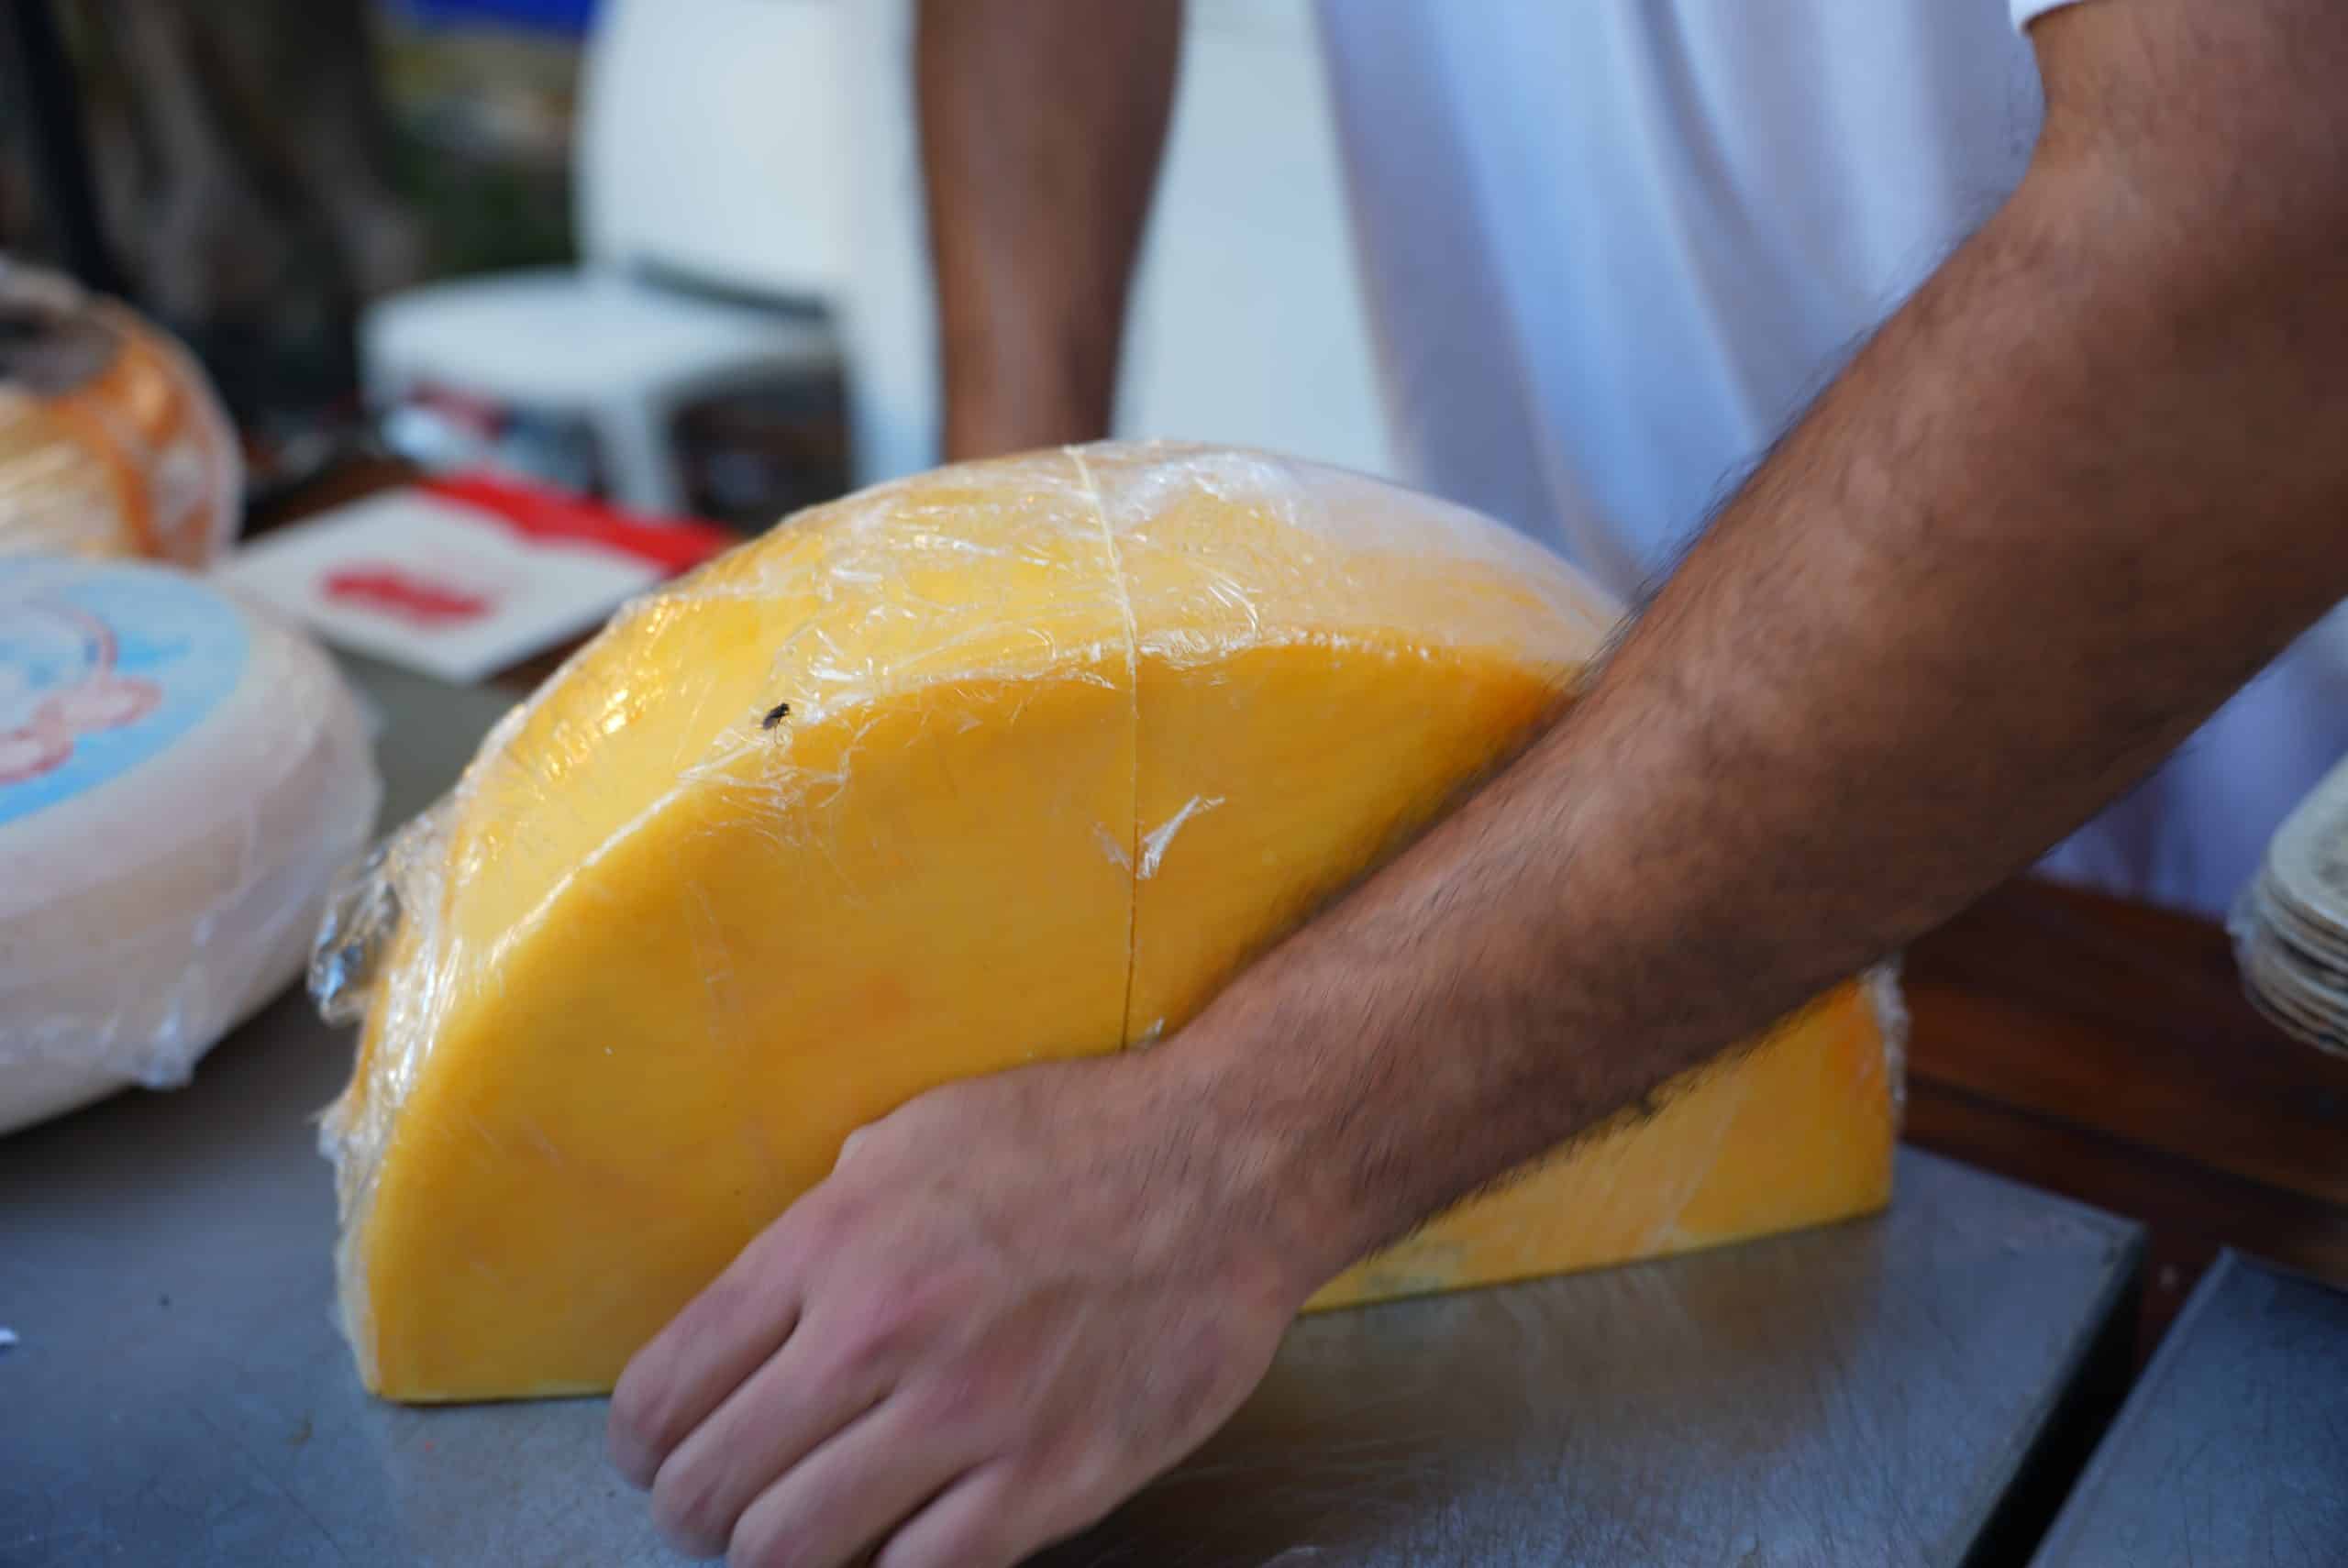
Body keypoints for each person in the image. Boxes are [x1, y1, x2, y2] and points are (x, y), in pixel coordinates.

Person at [604, 2, 2348, 1563]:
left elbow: (2270, 232)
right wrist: (1014, 600)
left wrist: (1228, 1156)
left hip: (2243, 975)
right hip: (1570, 858)